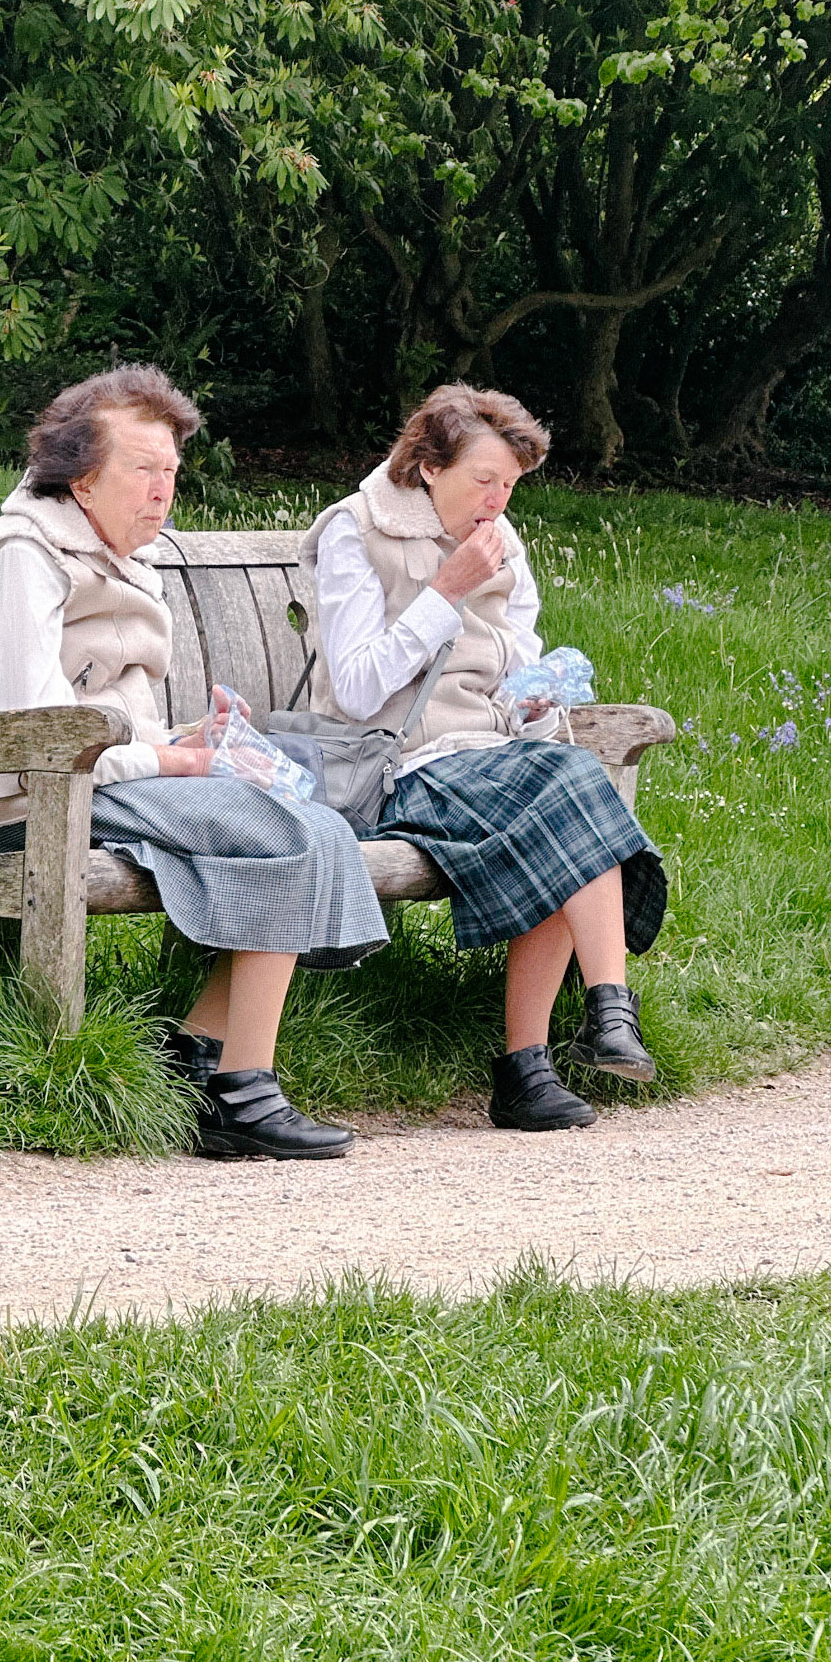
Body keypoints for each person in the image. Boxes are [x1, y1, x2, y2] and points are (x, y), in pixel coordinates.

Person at [0, 365, 387, 1160]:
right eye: (143, 471)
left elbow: (119, 716)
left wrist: (191, 740)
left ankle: (195, 1051)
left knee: (315, 823)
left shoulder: (116, 553)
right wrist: (171, 764)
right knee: (280, 829)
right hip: (39, 794)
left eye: (171, 473)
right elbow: (40, 728)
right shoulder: (22, 553)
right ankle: (241, 1092)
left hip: (109, 779)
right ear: (82, 479)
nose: (162, 492)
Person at [299, 383, 668, 1132]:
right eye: (484, 481)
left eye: (509, 485)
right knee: (571, 795)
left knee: (567, 799)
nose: (497, 501)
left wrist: (533, 698)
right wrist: (445, 590)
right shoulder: (354, 532)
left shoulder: (505, 541)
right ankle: (573, 1036)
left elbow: (511, 662)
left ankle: (547, 1057)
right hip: (397, 767)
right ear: (429, 467)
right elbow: (361, 686)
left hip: (488, 756)